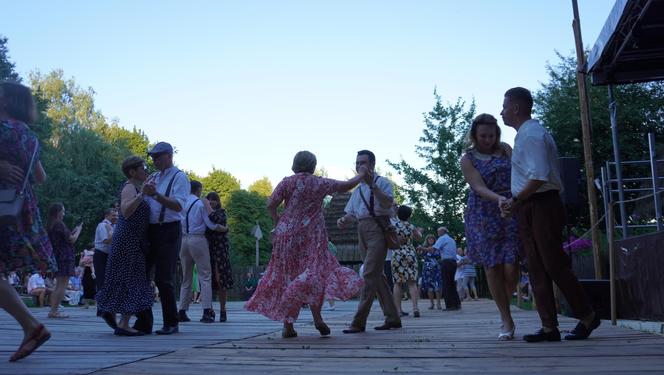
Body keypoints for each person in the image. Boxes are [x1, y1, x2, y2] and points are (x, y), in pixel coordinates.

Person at [499, 87, 599, 342]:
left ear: (516, 108)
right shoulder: (526, 134)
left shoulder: (532, 134)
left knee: (553, 263)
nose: (501, 112)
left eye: (504, 106)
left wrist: (515, 200)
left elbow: (539, 175)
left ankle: (587, 316)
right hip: (531, 205)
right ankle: (549, 327)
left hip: (541, 203)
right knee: (536, 266)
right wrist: (519, 203)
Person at [246, 151, 365, 338]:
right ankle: (318, 319)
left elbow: (270, 204)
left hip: (286, 237)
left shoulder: (287, 182)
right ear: (313, 165)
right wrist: (362, 174)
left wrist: (278, 221)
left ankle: (288, 325)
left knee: (287, 277)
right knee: (313, 275)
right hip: (311, 237)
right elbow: (346, 186)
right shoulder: (319, 183)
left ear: (295, 164)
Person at [0, 81, 56, 361]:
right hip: (17, 210)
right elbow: (41, 177)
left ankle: (32, 326)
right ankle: (31, 326)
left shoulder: (1, 128)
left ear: (7, 101)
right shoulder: (29, 136)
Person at [460, 113, 520, 339]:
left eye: (491, 135)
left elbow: (519, 174)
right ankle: (506, 318)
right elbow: (477, 186)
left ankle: (503, 303)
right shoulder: (468, 158)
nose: (487, 140)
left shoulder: (505, 149)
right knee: (492, 267)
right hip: (483, 213)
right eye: (483, 135)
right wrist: (499, 200)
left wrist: (513, 200)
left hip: (511, 209)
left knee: (511, 265)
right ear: (475, 135)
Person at [337, 150, 401, 334]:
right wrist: (344, 220)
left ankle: (358, 322)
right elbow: (352, 213)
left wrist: (373, 185)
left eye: (363, 163)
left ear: (372, 165)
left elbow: (388, 203)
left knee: (369, 274)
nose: (359, 166)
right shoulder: (357, 190)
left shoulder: (382, 182)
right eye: (357, 163)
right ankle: (393, 318)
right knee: (377, 276)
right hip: (361, 230)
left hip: (378, 229)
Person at [96, 156, 155, 336]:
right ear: (132, 172)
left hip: (132, 239)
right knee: (133, 280)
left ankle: (111, 313)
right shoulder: (129, 187)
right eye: (142, 168)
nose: (145, 170)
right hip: (128, 240)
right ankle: (123, 323)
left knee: (126, 279)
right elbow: (126, 211)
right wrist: (142, 194)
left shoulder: (135, 188)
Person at [135, 142, 189, 335]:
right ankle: (144, 322)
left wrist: (155, 195)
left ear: (169, 156)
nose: (154, 160)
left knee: (163, 278)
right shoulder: (154, 177)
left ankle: (171, 322)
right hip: (151, 230)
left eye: (157, 156)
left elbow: (179, 206)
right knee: (142, 275)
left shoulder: (179, 177)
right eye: (152, 157)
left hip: (169, 230)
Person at [177, 180, 227, 324]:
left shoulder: (182, 204)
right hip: (198, 239)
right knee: (205, 276)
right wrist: (224, 229)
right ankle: (206, 311)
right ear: (198, 190)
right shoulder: (199, 204)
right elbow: (211, 225)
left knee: (185, 278)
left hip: (183, 239)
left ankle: (182, 311)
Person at [46, 203, 82, 319]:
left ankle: (53, 310)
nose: (64, 213)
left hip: (57, 256)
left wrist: (73, 231)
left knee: (58, 285)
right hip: (65, 257)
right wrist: (79, 230)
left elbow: (65, 237)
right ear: (58, 212)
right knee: (62, 285)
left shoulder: (51, 224)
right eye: (63, 211)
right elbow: (72, 240)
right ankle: (54, 311)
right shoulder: (59, 223)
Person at [205, 191, 233, 322]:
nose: (211, 202)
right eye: (208, 200)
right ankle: (209, 310)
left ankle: (223, 310)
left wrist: (208, 207)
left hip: (220, 250)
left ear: (218, 201)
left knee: (221, 279)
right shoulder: (203, 213)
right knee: (207, 281)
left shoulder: (221, 212)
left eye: (213, 199)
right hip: (208, 249)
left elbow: (216, 219)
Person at [391, 205, 422, 318]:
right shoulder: (411, 226)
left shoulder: (394, 225)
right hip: (410, 253)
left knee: (397, 283)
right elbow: (419, 237)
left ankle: (398, 310)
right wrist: (419, 231)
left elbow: (390, 239)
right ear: (409, 216)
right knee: (412, 282)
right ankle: (415, 308)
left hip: (397, 253)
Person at [433, 227, 461, 311]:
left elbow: (434, 249)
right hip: (453, 262)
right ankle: (457, 304)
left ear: (442, 231)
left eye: (438, 231)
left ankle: (450, 305)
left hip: (446, 262)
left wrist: (423, 249)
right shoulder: (451, 240)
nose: (437, 233)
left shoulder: (442, 238)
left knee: (447, 284)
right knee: (452, 283)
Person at [417, 234, 442, 310]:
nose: (430, 240)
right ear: (427, 240)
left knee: (437, 286)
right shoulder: (424, 248)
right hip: (427, 269)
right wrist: (419, 248)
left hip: (436, 269)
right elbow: (418, 253)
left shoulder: (437, 248)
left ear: (435, 240)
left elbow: (437, 254)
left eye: (432, 239)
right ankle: (432, 304)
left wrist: (422, 248)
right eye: (429, 239)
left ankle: (438, 303)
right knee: (429, 287)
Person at [93, 208, 115, 294]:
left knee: (109, 278)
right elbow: (106, 241)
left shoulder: (113, 225)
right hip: (101, 255)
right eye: (113, 215)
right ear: (107, 216)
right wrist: (111, 232)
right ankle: (102, 301)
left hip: (108, 255)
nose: (115, 217)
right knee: (101, 278)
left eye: (116, 215)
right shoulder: (102, 225)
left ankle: (108, 300)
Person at [78, 243, 95, 308]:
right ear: (91, 248)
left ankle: (96, 304)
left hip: (92, 272)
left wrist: (83, 258)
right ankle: (86, 304)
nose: (95, 249)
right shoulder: (87, 255)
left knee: (93, 287)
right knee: (86, 287)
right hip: (87, 271)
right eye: (94, 248)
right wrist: (82, 256)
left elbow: (82, 263)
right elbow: (80, 264)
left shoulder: (93, 255)